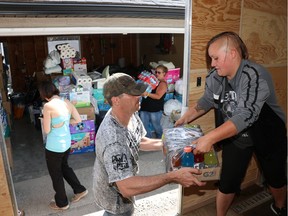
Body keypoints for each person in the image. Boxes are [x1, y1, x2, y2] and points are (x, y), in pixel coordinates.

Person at [175, 31, 287, 216]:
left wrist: (209, 138)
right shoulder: (215, 77)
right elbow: (206, 102)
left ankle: (280, 206)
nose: (212, 63)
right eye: (211, 58)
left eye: (216, 58)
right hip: (235, 136)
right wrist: (185, 118)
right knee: (228, 181)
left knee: (275, 177)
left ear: (233, 53)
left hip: (267, 133)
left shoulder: (254, 75)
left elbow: (246, 114)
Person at [92, 72, 206, 216]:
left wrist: (169, 143)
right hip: (116, 201)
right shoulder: (113, 140)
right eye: (133, 94)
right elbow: (126, 187)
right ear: (116, 100)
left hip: (125, 193)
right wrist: (172, 176)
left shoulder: (129, 113)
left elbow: (139, 140)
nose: (140, 96)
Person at [38, 81, 88, 210]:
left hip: (54, 147)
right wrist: (64, 122)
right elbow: (78, 120)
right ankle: (79, 190)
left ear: (44, 94)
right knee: (64, 167)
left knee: (56, 174)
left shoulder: (48, 106)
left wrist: (45, 120)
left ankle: (62, 203)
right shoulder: (66, 102)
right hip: (66, 144)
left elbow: (47, 130)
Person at [140, 65, 168, 138]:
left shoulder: (163, 84)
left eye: (159, 72)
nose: (157, 74)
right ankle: (148, 142)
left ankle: (161, 141)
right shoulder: (153, 80)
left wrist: (147, 94)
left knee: (157, 127)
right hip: (145, 107)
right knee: (144, 126)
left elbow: (158, 96)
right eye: (156, 72)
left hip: (155, 109)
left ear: (164, 74)